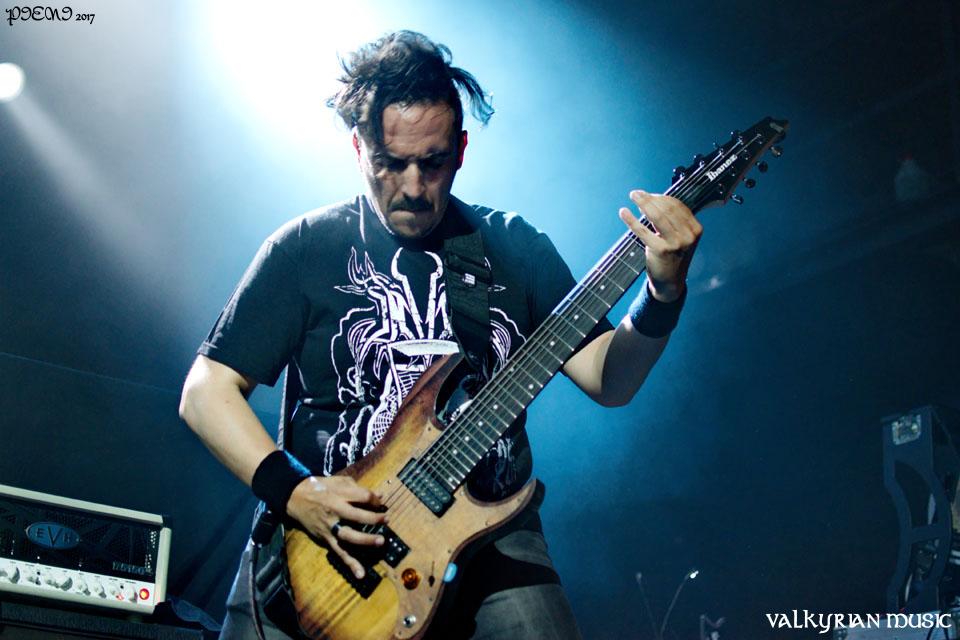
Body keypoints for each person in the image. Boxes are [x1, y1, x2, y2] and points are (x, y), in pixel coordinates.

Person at [179, 30, 702, 640]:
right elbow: (206, 391)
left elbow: (609, 381)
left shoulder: (514, 248)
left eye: (431, 163)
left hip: (491, 537)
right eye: (389, 161)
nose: (411, 186)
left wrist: (663, 292)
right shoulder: (306, 248)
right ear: (358, 147)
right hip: (328, 542)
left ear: (461, 150)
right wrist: (295, 492)